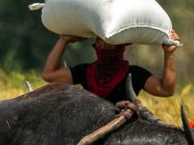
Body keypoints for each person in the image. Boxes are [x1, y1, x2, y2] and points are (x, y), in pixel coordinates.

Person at [41, 31, 180, 103]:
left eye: (110, 45)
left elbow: (166, 90)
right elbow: (49, 75)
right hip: (90, 127)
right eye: (100, 45)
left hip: (124, 134)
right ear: (95, 47)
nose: (104, 49)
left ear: (120, 48)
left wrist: (169, 54)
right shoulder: (85, 72)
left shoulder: (134, 74)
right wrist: (63, 40)